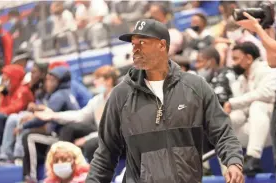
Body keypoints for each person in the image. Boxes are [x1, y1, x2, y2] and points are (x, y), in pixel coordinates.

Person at [86, 19, 244, 183]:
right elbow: (105, 153)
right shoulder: (121, 95)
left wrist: (233, 162)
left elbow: (223, 132)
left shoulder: (195, 86)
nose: (135, 49)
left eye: (142, 43)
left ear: (162, 45)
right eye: (133, 44)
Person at [35, 65, 120, 162]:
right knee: (69, 129)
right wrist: (54, 116)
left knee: (91, 144)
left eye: (97, 79)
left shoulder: (118, 99)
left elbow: (113, 131)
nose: (94, 82)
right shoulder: (97, 100)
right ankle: (62, 160)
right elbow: (80, 115)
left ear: (108, 80)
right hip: (101, 134)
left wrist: (87, 138)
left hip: (117, 138)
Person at [223, 42, 276, 176]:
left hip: (272, 126)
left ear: (249, 58)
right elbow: (242, 110)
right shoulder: (240, 80)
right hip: (256, 130)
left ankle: (253, 158)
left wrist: (232, 103)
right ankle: (229, 172)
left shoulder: (267, 69)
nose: (233, 63)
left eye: (236, 58)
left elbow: (267, 94)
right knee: (226, 125)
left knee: (258, 104)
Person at [0, 62, 48, 165]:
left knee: (16, 118)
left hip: (41, 118)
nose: (31, 74)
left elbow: (17, 107)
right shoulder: (11, 90)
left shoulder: (26, 89)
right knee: (6, 118)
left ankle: (19, 155)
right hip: (30, 114)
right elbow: (3, 106)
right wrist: (5, 92)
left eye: (34, 72)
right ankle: (4, 155)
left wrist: (36, 109)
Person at [0, 64, 34, 164]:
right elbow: (3, 106)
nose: (3, 80)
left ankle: (5, 155)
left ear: (13, 78)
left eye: (6, 78)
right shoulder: (7, 91)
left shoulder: (23, 90)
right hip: (9, 117)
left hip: (19, 118)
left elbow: (15, 108)